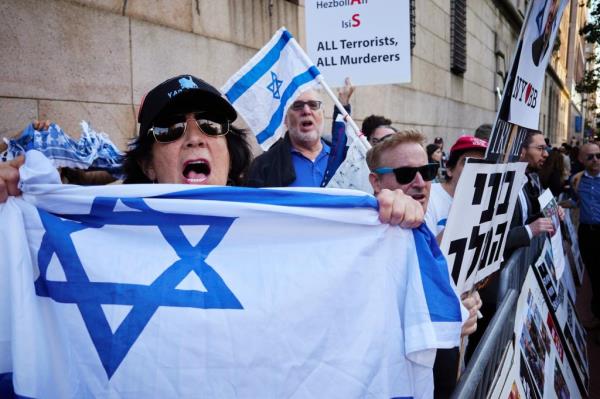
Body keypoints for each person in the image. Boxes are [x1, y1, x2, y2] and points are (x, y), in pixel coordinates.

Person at [0, 74, 424, 229]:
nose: (195, 137)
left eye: (211, 125)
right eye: (170, 129)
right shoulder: (93, 233)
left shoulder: (282, 225)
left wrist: (386, 218)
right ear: (146, 163)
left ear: (229, 149)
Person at [365, 130, 482, 399]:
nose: (420, 183)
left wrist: (464, 304)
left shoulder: (423, 227)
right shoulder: (371, 232)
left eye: (427, 171)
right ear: (376, 181)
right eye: (405, 174)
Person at [245, 83, 354, 188]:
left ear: (323, 114)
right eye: (297, 106)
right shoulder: (264, 166)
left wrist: (343, 103)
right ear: (285, 119)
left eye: (313, 105)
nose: (306, 111)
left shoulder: (345, 161)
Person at [425, 136, 488, 240]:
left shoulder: (487, 202)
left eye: (482, 164)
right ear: (449, 170)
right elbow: (427, 253)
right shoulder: (429, 197)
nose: (476, 168)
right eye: (468, 162)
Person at [504, 130, 555, 255]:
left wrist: (551, 213)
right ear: (522, 151)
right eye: (540, 148)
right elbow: (491, 239)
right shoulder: (503, 184)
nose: (546, 154)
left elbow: (524, 219)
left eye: (546, 149)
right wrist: (529, 230)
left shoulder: (525, 180)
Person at [571, 143, 600, 331]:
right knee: (594, 274)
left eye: (598, 155)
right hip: (587, 234)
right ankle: (597, 317)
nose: (596, 160)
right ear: (581, 159)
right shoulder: (577, 180)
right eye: (590, 157)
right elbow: (574, 201)